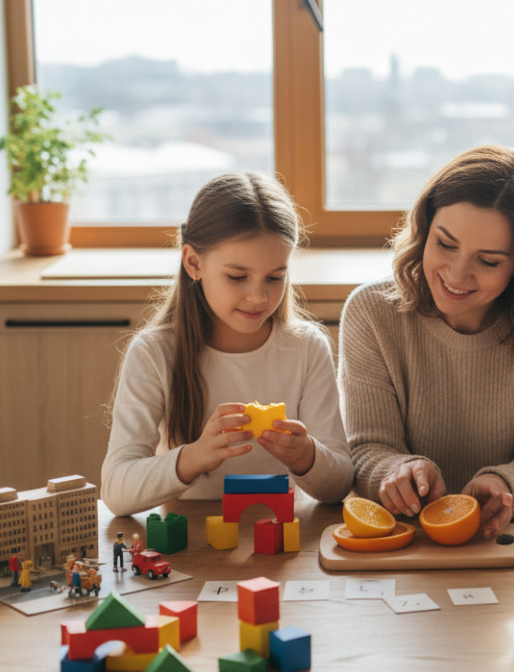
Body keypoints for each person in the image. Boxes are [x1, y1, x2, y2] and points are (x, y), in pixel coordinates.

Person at [339, 145, 514, 539]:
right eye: (445, 243)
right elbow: (368, 448)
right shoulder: (371, 313)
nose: (457, 275)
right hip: (407, 541)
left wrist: (506, 485)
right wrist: (396, 472)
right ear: (425, 227)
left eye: (488, 261)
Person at [101, 172, 354, 517]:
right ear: (194, 263)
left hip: (281, 535)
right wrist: (194, 457)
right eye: (237, 277)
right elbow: (116, 491)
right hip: (191, 536)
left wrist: (307, 456)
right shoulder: (153, 353)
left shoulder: (307, 348)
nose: (258, 296)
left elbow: (340, 484)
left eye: (275, 277)